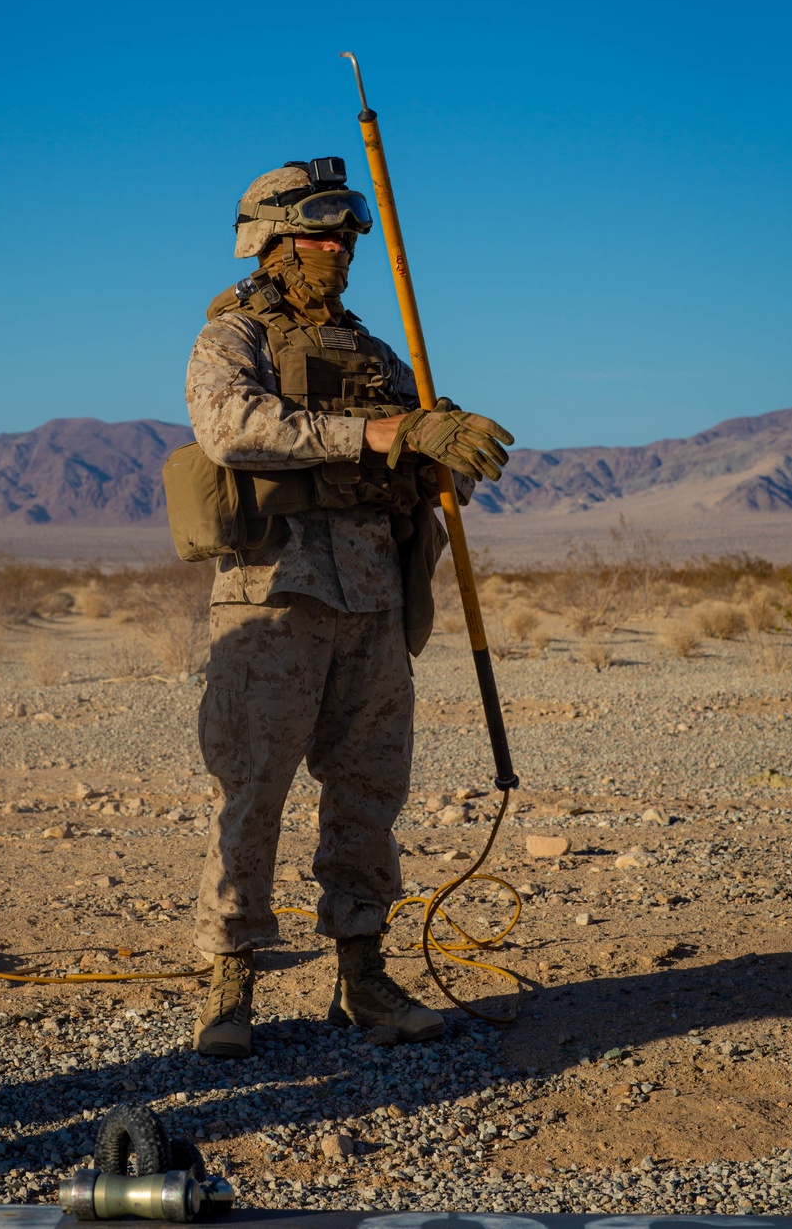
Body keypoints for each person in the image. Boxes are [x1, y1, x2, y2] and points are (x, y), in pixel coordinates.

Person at [181, 158, 512, 1057]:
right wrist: (374, 432)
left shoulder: (377, 351)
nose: (340, 249)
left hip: (373, 599)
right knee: (252, 793)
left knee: (368, 795)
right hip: (274, 595)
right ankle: (230, 983)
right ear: (276, 240)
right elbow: (229, 426)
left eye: (348, 235)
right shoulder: (232, 336)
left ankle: (362, 977)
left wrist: (441, 451)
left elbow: (419, 453)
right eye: (322, 234)